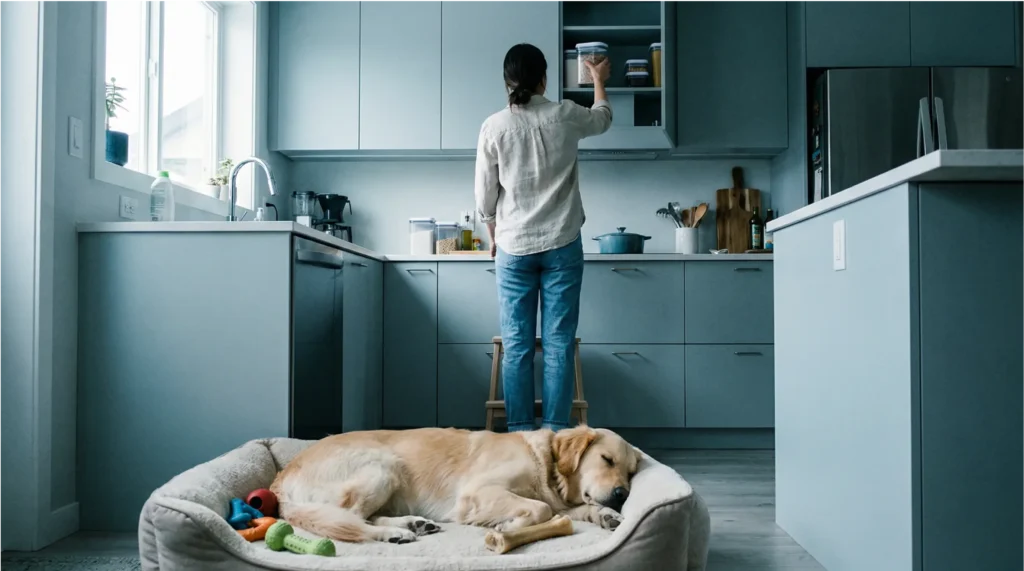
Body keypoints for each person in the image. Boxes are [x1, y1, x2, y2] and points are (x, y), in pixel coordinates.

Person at [474, 43, 612, 432]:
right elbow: (602, 118)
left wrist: (493, 232)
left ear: (507, 82)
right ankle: (554, 434)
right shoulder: (566, 114)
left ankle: (520, 436)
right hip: (563, 243)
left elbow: (485, 195)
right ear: (544, 78)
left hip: (513, 246)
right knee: (558, 345)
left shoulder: (494, 126)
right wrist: (598, 80)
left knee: (517, 346)